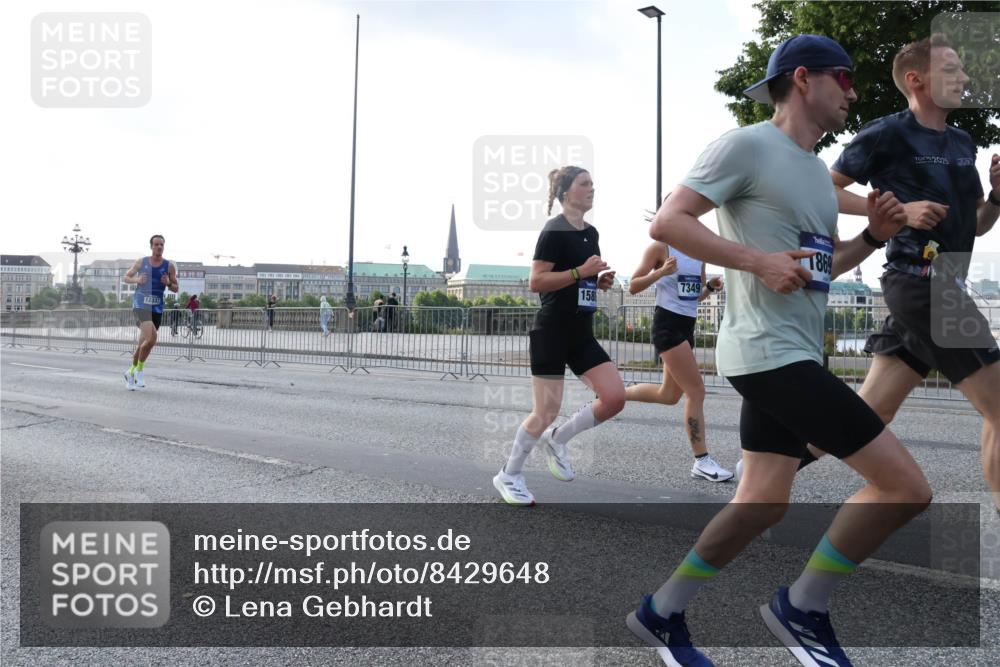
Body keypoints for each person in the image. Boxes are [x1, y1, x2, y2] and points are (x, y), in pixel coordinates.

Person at [626, 35, 930, 667]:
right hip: (767, 352)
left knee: (762, 504)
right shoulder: (747, 144)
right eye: (843, 79)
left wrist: (873, 235)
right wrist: (755, 260)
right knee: (904, 487)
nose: (853, 92)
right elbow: (668, 222)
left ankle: (660, 614)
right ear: (802, 79)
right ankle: (804, 607)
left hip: (793, 351)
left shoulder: (817, 175)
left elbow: (820, 268)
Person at [775, 34, 1000, 514]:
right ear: (917, 80)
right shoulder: (887, 134)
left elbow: (976, 224)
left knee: (870, 411)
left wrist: (998, 197)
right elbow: (824, 187)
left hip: (945, 284)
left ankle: (766, 475)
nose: (965, 77)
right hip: (921, 284)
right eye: (953, 69)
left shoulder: (962, 142)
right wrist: (896, 211)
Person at [493, 165, 625, 506]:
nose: (592, 188)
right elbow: (537, 281)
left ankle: (558, 440)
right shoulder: (553, 231)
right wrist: (581, 271)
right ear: (566, 192)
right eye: (585, 184)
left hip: (581, 331)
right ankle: (509, 474)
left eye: (593, 183)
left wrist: (597, 282)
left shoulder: (591, 233)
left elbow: (578, 280)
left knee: (614, 398)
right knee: (544, 411)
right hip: (552, 330)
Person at [625, 240, 732, 482]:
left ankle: (616, 394)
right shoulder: (660, 249)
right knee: (696, 391)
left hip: (686, 327)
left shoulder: (698, 252)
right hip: (667, 327)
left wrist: (711, 288)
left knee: (668, 395)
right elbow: (633, 286)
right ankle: (702, 460)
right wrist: (661, 272)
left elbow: (696, 297)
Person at [124, 235, 178, 389]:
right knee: (153, 339)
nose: (159, 247)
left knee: (144, 344)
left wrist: (168, 283)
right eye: (156, 244)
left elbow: (176, 288)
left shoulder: (169, 266)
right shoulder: (142, 262)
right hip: (141, 306)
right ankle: (140, 372)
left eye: (161, 244)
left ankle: (130, 372)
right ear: (151, 246)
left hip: (157, 308)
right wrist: (137, 280)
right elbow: (126, 277)